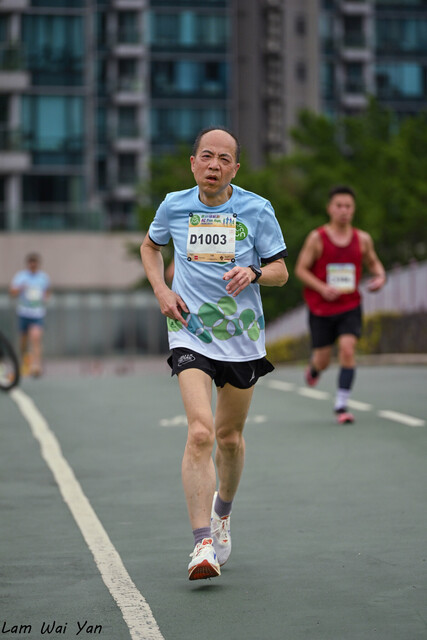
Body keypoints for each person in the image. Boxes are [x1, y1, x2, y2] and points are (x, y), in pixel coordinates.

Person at [140, 126, 288, 581]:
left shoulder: (257, 209)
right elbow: (150, 247)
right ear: (193, 163)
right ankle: (202, 543)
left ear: (235, 169)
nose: (214, 165)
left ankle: (222, 512)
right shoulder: (173, 205)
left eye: (224, 159)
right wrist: (162, 289)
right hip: (190, 331)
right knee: (201, 432)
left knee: (228, 438)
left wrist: (254, 273)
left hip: (241, 337)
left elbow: (281, 271)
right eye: (207, 156)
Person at [294, 185, 386, 424]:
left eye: (348, 206)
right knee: (323, 360)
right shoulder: (317, 238)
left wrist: (380, 277)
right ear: (330, 208)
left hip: (349, 306)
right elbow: (300, 270)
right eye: (339, 206)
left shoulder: (362, 239)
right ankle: (314, 369)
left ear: (353, 210)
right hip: (321, 308)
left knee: (347, 350)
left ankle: (342, 405)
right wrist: (322, 288)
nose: (344, 210)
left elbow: (374, 263)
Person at [9, 252, 51, 377]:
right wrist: (21, 288)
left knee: (36, 338)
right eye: (31, 262)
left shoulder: (43, 278)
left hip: (37, 313)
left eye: (35, 262)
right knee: (23, 341)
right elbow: (12, 292)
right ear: (28, 264)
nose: (33, 265)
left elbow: (47, 292)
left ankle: (36, 366)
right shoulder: (21, 277)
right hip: (24, 312)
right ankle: (23, 363)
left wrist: (44, 298)